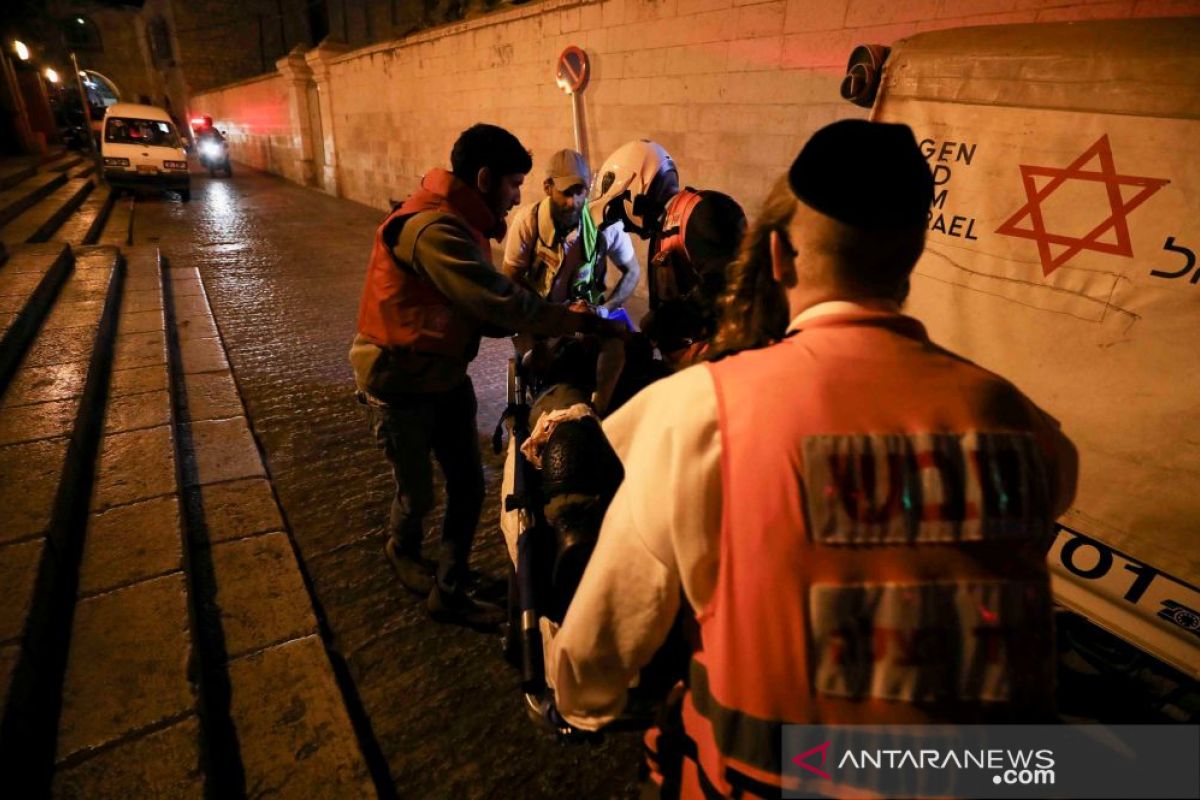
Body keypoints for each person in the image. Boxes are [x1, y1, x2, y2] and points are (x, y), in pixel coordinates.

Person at [547, 119, 1079, 797]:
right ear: (911, 255)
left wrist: (579, 702)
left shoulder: (702, 413)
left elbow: (608, 632)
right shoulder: (1023, 424)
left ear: (778, 257)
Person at [349, 123, 623, 629]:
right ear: (483, 178)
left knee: (470, 485)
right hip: (401, 382)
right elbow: (497, 299)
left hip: (446, 376)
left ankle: (451, 585)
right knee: (419, 492)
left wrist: (545, 328)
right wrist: (574, 322)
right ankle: (403, 550)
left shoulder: (462, 222)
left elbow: (482, 311)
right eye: (514, 183)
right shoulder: (435, 230)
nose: (518, 195)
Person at [503, 148, 640, 413]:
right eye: (566, 193)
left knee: (624, 347)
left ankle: (597, 412)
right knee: (548, 370)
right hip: (539, 318)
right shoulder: (528, 223)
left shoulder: (604, 226)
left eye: (580, 192)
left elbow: (632, 272)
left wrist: (603, 309)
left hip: (584, 316)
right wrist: (550, 320)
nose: (573, 202)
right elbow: (510, 283)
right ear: (547, 187)